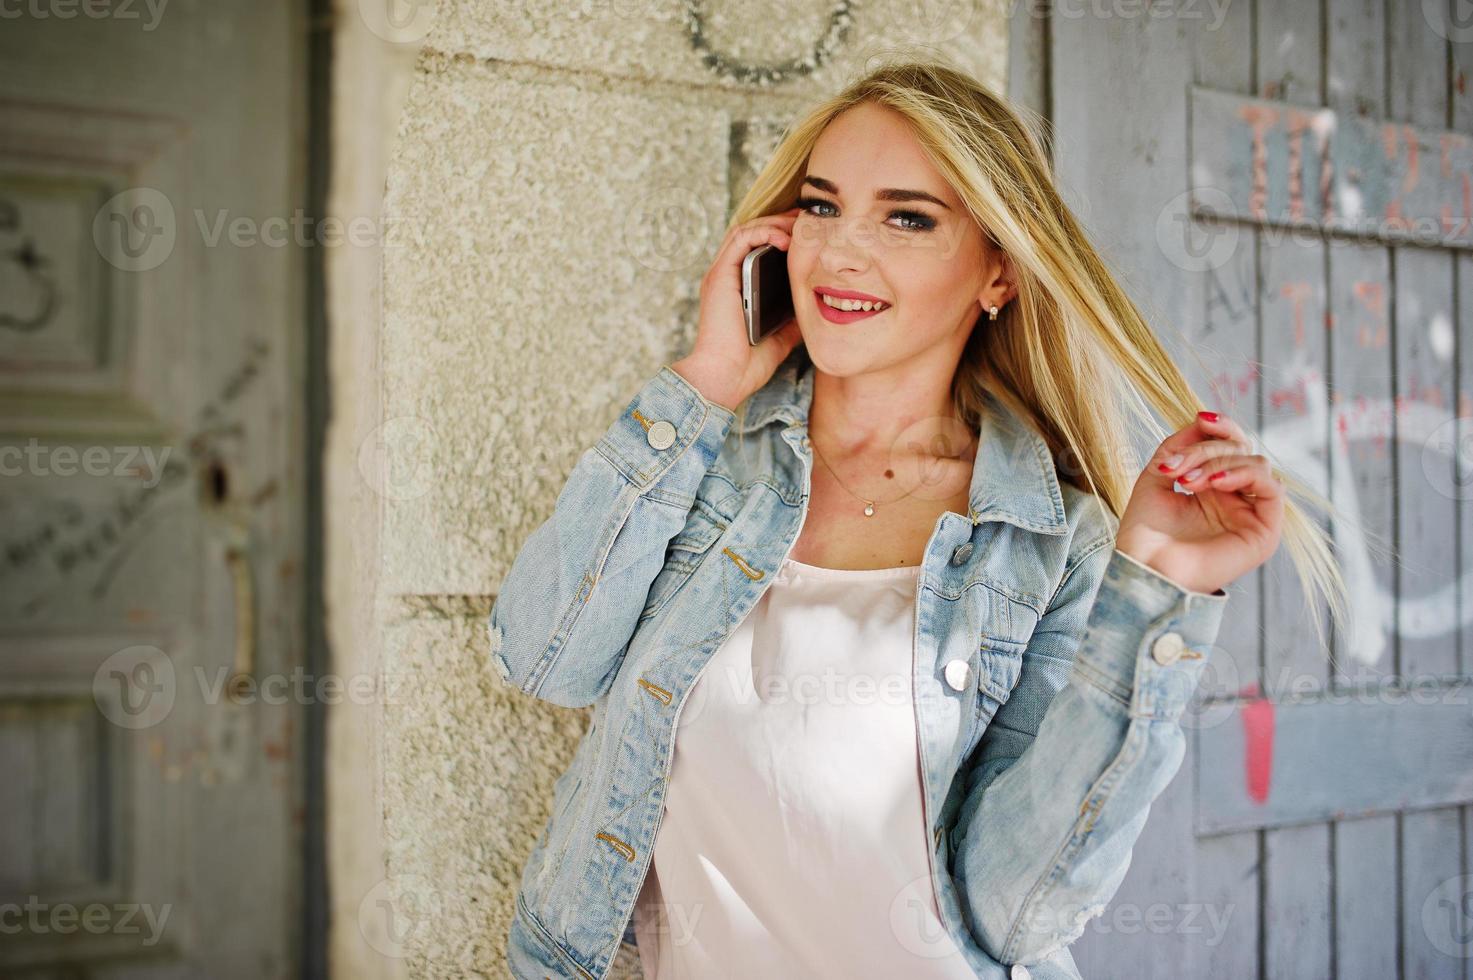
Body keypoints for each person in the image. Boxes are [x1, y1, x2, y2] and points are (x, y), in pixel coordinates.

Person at [492, 57, 1351, 980]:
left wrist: (1158, 592)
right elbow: (544, 658)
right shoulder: (699, 463)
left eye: (906, 218)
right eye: (820, 206)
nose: (841, 251)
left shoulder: (1054, 545)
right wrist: (702, 380)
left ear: (998, 274)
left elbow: (1015, 910)